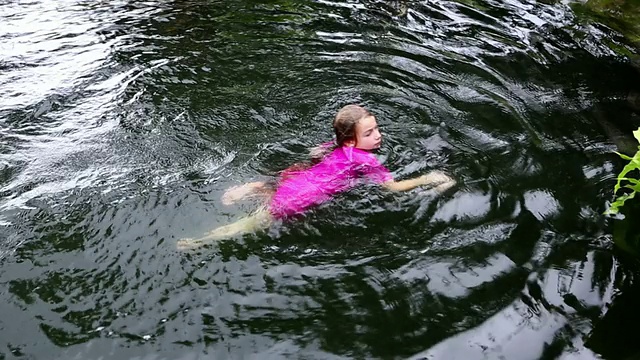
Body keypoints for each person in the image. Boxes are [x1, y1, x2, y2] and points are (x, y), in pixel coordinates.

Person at [177, 105, 455, 250]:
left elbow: (316, 153)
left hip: (296, 179)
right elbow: (393, 187)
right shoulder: (366, 159)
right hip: (300, 197)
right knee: (251, 224)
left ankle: (255, 187)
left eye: (376, 129)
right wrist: (427, 178)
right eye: (369, 133)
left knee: (274, 190)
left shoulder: (335, 146)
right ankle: (200, 241)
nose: (378, 135)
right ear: (351, 140)